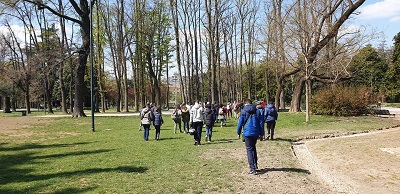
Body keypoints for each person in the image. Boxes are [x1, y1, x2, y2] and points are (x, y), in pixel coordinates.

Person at [237, 99, 264, 175]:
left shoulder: (243, 111)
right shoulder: (257, 111)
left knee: (249, 149)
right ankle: (255, 165)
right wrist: (262, 134)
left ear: (245, 104)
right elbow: (261, 123)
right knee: (253, 148)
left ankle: (252, 168)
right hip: (256, 132)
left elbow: (240, 123)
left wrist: (238, 132)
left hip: (247, 132)